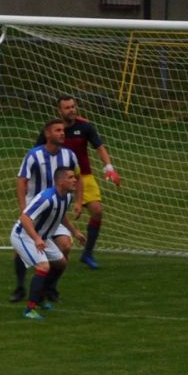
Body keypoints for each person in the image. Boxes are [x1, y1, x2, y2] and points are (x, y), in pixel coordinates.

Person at [36, 96, 120, 270]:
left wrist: (109, 168)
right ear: (59, 111)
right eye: (67, 108)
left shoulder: (85, 127)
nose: (71, 110)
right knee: (48, 212)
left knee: (97, 210)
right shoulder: (53, 130)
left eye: (73, 106)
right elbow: (37, 151)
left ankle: (87, 253)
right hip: (57, 178)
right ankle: (41, 248)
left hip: (84, 176)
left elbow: (100, 148)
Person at [10, 119, 82, 303]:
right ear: (48, 134)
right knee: (21, 249)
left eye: (63, 130)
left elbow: (78, 178)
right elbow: (21, 180)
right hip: (36, 210)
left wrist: (79, 202)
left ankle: (49, 288)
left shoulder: (69, 156)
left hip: (57, 210)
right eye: (57, 130)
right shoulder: (34, 155)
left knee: (65, 246)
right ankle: (20, 287)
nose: (62, 133)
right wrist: (23, 207)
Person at [11, 167, 86, 320]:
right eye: (71, 177)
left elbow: (61, 214)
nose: (75, 180)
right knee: (43, 266)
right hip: (23, 235)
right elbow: (25, 218)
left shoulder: (67, 197)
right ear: (60, 181)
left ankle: (40, 295)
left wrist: (75, 232)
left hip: (41, 237)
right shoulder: (46, 198)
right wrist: (37, 239)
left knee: (61, 263)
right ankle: (29, 309)